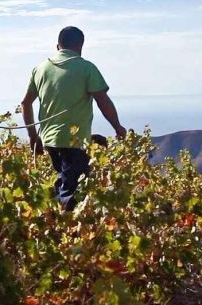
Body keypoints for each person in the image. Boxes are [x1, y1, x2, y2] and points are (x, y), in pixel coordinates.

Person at [21, 26, 125, 211]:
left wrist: (32, 137)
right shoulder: (87, 68)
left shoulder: (40, 69)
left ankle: (52, 220)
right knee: (72, 196)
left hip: (50, 141)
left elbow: (25, 103)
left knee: (64, 182)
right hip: (74, 142)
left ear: (57, 46)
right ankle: (66, 230)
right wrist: (117, 127)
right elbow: (103, 101)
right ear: (81, 46)